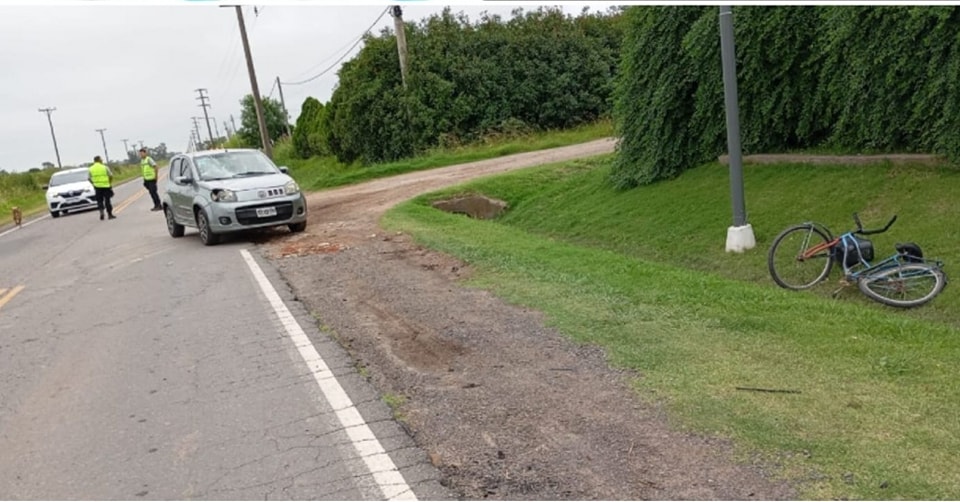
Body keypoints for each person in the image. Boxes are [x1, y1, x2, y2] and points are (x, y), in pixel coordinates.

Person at [88, 155, 115, 220]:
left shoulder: (91, 168)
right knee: (107, 200)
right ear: (99, 160)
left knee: (99, 201)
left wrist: (94, 183)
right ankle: (109, 214)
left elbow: (89, 178)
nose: (102, 160)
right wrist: (109, 182)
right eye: (101, 159)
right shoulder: (105, 167)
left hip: (97, 187)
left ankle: (101, 212)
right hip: (106, 186)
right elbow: (111, 175)